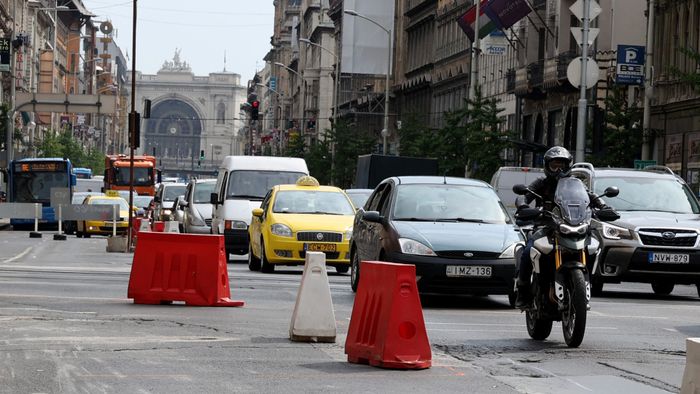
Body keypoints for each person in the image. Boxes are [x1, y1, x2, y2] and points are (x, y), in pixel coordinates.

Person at [514, 146, 573, 308]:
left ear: (568, 166)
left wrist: (602, 206)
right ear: (547, 166)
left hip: (568, 228)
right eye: (555, 165)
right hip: (545, 227)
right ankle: (523, 290)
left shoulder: (574, 184)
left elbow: (590, 197)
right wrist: (523, 206)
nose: (559, 169)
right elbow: (524, 197)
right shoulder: (541, 183)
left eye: (562, 165)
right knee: (528, 251)